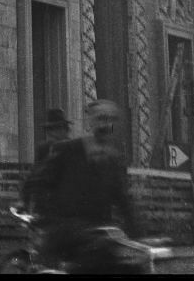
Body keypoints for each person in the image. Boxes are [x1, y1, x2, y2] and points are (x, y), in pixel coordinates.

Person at [36, 99, 139, 272]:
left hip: (99, 231)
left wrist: (138, 236)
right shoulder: (67, 150)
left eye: (111, 120)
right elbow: (41, 184)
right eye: (101, 118)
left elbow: (123, 201)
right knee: (97, 254)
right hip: (65, 228)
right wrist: (48, 220)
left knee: (128, 263)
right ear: (91, 122)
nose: (106, 125)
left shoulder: (114, 160)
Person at [21, 108, 72, 214]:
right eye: (51, 129)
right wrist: (26, 202)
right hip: (47, 206)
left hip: (67, 205)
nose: (52, 133)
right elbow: (33, 177)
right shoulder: (44, 149)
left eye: (58, 128)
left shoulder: (72, 147)